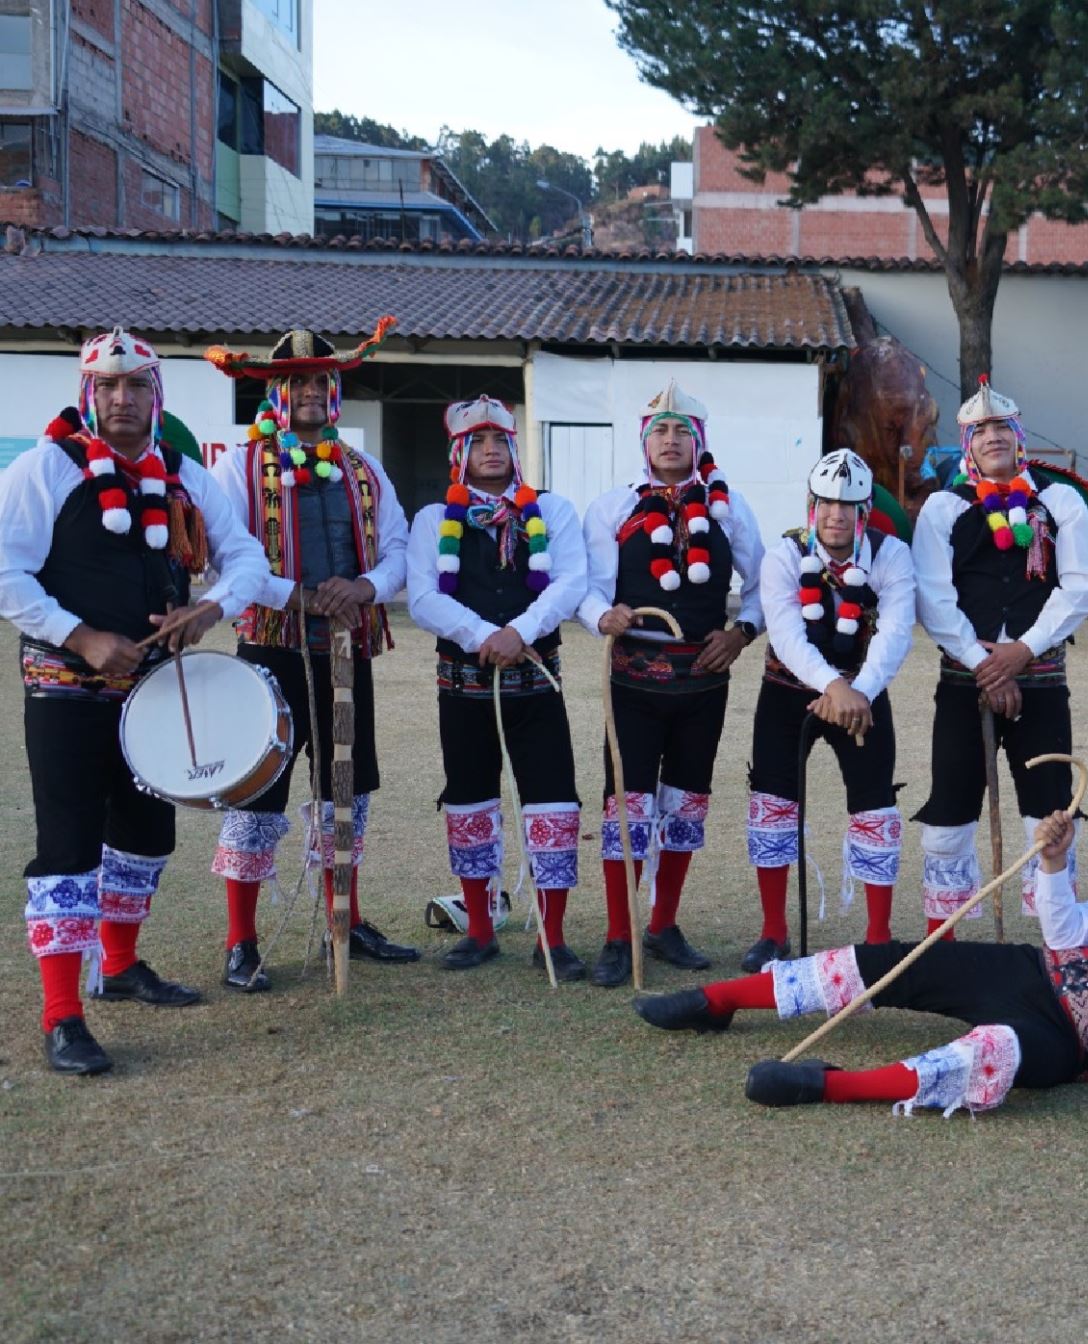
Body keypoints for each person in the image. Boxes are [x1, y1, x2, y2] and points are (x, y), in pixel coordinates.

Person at [636, 816, 1088, 1118]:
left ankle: (824, 1086)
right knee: (897, 961)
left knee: (985, 1056)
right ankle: (718, 1000)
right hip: (1032, 975)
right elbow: (1068, 930)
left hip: (1076, 1048)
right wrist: (1053, 866)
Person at [0, 328, 268, 1074]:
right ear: (91, 394)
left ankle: (119, 967)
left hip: (153, 688)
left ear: (157, 396)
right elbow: (6, 570)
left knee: (147, 835)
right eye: (109, 388)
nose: (123, 400)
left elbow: (243, 554)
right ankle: (62, 1014)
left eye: (137, 387)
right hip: (67, 686)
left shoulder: (183, 473)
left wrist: (210, 609)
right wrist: (80, 635)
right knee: (69, 845)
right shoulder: (43, 467)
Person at [204, 322, 416, 990]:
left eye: (321, 382)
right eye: (296, 383)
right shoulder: (236, 466)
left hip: (347, 647)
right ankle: (242, 941)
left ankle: (342, 921)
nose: (309, 393)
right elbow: (229, 551)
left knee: (345, 787)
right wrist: (297, 595)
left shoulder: (364, 468)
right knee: (257, 791)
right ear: (275, 392)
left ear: (335, 392)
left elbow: (399, 547)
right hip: (271, 647)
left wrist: (364, 587)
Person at [580, 380, 765, 985]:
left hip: (703, 685)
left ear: (698, 441)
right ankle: (617, 934)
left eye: (681, 430)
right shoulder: (615, 507)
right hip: (633, 683)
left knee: (686, 804)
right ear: (643, 441)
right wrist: (599, 615)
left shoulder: (729, 507)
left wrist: (742, 632)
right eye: (658, 430)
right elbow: (587, 587)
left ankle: (662, 923)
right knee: (626, 808)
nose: (669, 440)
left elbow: (767, 583)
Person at [911, 376, 1088, 932]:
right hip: (963, 683)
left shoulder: (1059, 498)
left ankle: (1056, 943)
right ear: (965, 443)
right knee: (948, 817)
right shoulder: (943, 507)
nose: (992, 436)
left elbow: (1081, 585)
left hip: (1040, 680)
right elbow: (933, 594)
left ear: (1019, 437)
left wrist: (1021, 651)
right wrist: (983, 665)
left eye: (1001, 427)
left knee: (1050, 817)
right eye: (979, 430)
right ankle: (941, 951)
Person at [407, 397, 588, 976]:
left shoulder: (552, 511)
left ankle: (552, 939)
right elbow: (423, 599)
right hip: (464, 687)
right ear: (459, 453)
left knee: (553, 801)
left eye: (500, 442)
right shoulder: (434, 519)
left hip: (536, 686)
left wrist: (520, 632)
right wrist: (486, 634)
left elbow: (570, 582)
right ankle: (480, 931)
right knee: (469, 801)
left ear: (514, 449)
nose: (491, 452)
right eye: (478, 442)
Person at [742, 448, 916, 969]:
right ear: (810, 505)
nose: (835, 515)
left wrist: (856, 690)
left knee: (874, 803)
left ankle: (878, 935)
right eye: (825, 504)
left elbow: (896, 630)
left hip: (864, 690)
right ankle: (774, 931)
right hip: (788, 690)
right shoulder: (783, 556)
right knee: (773, 805)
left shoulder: (891, 554)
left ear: (864, 511)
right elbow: (789, 634)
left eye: (847, 506)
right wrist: (832, 687)